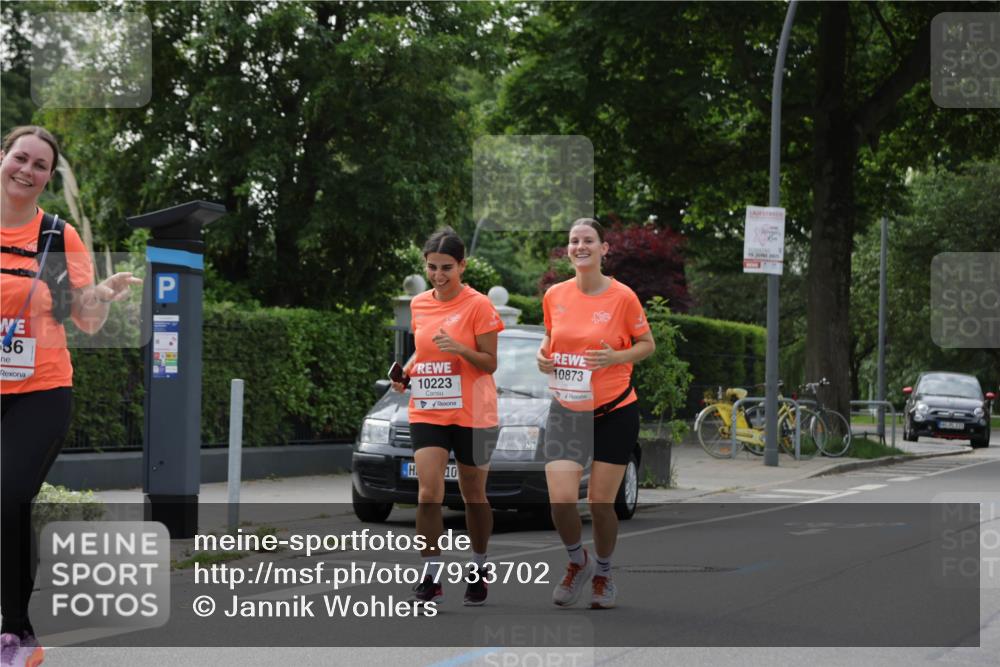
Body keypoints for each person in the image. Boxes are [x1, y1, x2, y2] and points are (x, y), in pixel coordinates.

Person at [1, 126, 142, 667]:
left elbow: (85, 319)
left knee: (9, 497)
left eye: (40, 165)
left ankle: (17, 635)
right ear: (2, 158)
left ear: (46, 178)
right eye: (21, 158)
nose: (27, 170)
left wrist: (99, 296)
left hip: (40, 391)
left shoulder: (59, 238)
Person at [536, 218, 655, 609]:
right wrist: (543, 355)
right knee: (561, 502)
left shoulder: (622, 297)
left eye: (588, 240)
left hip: (614, 409)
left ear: (605, 249)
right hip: (567, 408)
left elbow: (647, 344)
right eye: (574, 241)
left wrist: (617, 356)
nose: (580, 246)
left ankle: (604, 574)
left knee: (601, 503)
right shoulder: (555, 294)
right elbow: (552, 339)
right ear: (567, 249)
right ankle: (578, 562)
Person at [391, 228, 504, 606]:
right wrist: (405, 375)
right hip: (428, 409)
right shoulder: (420, 304)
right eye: (432, 267)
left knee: (474, 496)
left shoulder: (479, 306)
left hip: (475, 412)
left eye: (446, 268)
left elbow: (490, 363)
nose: (439, 275)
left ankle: (478, 564)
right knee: (428, 495)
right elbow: (422, 354)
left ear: (462, 266)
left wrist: (459, 348)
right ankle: (431, 575)